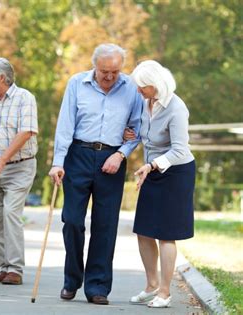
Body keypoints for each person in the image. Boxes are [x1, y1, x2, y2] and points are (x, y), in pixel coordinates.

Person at [48, 43, 143, 304]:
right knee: (73, 221)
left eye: (115, 71)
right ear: (94, 66)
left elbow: (137, 128)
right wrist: (58, 162)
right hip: (78, 155)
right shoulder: (76, 84)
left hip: (111, 158)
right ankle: (72, 279)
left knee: (105, 225)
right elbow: (65, 125)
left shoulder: (131, 88)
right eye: (105, 71)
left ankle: (97, 286)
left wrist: (121, 153)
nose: (110, 77)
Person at [125, 60, 195, 308]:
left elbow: (179, 150)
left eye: (142, 87)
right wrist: (132, 134)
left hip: (176, 173)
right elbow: (147, 133)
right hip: (151, 171)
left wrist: (152, 165)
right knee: (143, 230)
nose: (138, 91)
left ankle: (165, 292)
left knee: (167, 235)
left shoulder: (176, 108)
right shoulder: (146, 103)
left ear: (154, 85)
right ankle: (151, 284)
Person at [0, 57, 38, 285]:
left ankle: (15, 269)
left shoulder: (25, 98)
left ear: (2, 77)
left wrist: (1, 160)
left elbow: (26, 132)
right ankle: (4, 267)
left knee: (10, 214)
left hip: (18, 167)